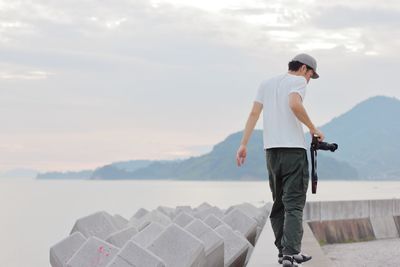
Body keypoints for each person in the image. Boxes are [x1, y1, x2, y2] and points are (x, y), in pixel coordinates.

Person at [236, 54, 324, 267]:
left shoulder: (266, 83)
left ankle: (283, 251)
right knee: (294, 203)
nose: (309, 80)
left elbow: (254, 113)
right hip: (293, 151)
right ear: (304, 69)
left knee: (278, 203)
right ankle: (291, 253)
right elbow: (294, 104)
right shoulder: (299, 81)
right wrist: (313, 129)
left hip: (271, 152)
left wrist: (244, 144)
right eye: (311, 75)